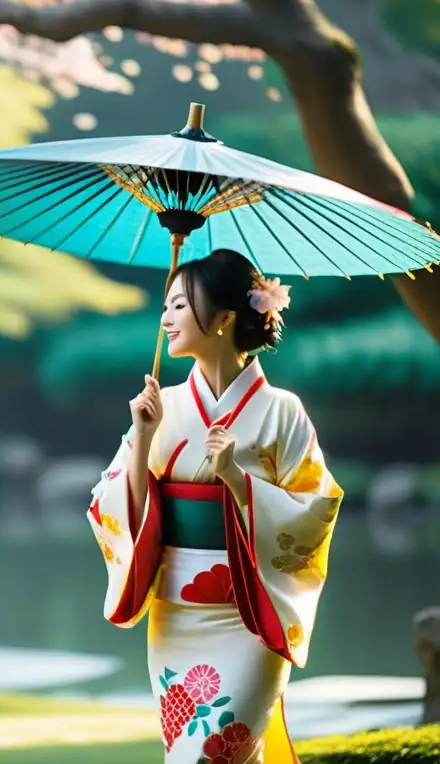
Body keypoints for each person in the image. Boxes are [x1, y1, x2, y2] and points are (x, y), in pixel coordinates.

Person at [87, 249, 343, 763]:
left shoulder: (282, 411)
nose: (166, 318)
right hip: (176, 615)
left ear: (225, 319)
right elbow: (112, 503)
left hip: (249, 617)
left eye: (179, 305)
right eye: (167, 305)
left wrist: (234, 477)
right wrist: (142, 437)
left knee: (212, 753)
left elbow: (317, 508)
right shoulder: (164, 407)